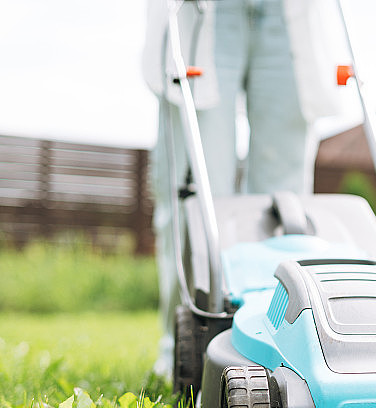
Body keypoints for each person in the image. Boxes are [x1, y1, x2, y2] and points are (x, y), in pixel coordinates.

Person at [142, 0, 344, 378]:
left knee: (283, 204)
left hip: (289, 12)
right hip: (204, 9)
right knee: (197, 195)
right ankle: (185, 350)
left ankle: (277, 345)